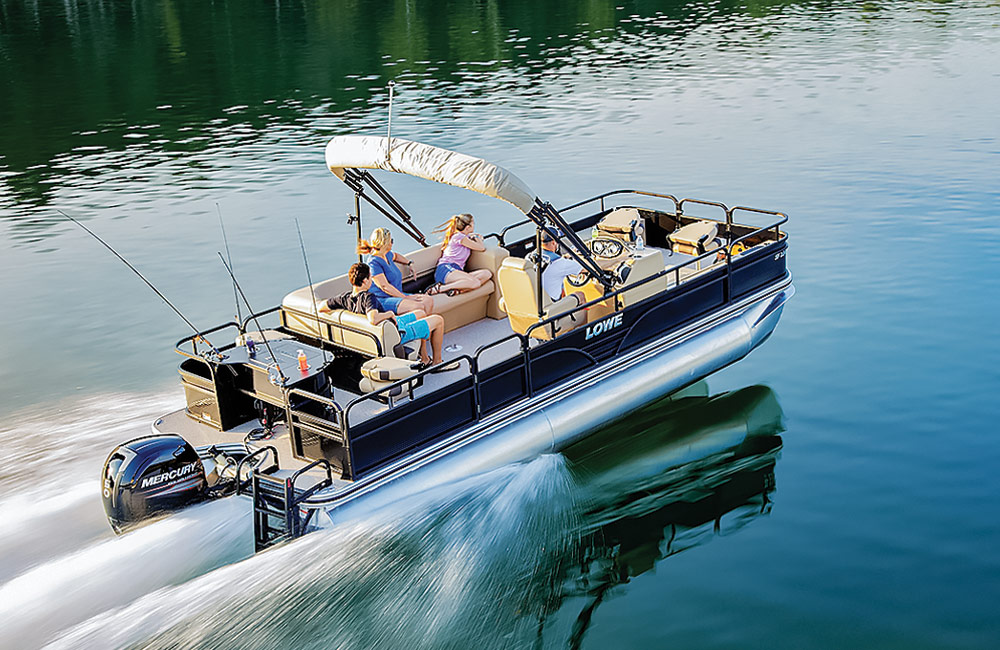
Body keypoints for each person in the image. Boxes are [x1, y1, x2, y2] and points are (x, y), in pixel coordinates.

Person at [319, 262, 448, 367]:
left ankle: (424, 358)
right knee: (438, 320)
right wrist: (389, 314)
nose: (372, 281)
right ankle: (437, 362)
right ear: (364, 281)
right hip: (396, 332)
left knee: (420, 313)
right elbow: (373, 318)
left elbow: (321, 307)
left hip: (390, 325)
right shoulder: (369, 297)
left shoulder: (344, 298)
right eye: (370, 278)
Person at [358, 227, 434, 316]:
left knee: (428, 300)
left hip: (396, 296)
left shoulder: (387, 255)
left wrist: (409, 263)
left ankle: (427, 327)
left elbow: (396, 256)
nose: (392, 243)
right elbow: (384, 286)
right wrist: (405, 297)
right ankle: (412, 329)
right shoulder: (373, 263)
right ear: (385, 243)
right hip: (382, 299)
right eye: (391, 240)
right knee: (417, 306)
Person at [427, 213, 492, 296]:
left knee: (486, 274)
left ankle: (457, 291)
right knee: (475, 283)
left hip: (456, 270)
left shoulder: (464, 237)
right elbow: (481, 248)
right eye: (473, 224)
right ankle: (440, 288)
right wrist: (478, 238)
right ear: (468, 227)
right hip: (446, 269)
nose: (474, 225)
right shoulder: (459, 237)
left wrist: (471, 236)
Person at [539, 230, 586, 305]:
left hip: (537, 302)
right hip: (551, 307)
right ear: (554, 242)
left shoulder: (529, 257)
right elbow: (586, 268)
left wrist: (565, 257)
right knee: (580, 295)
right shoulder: (560, 263)